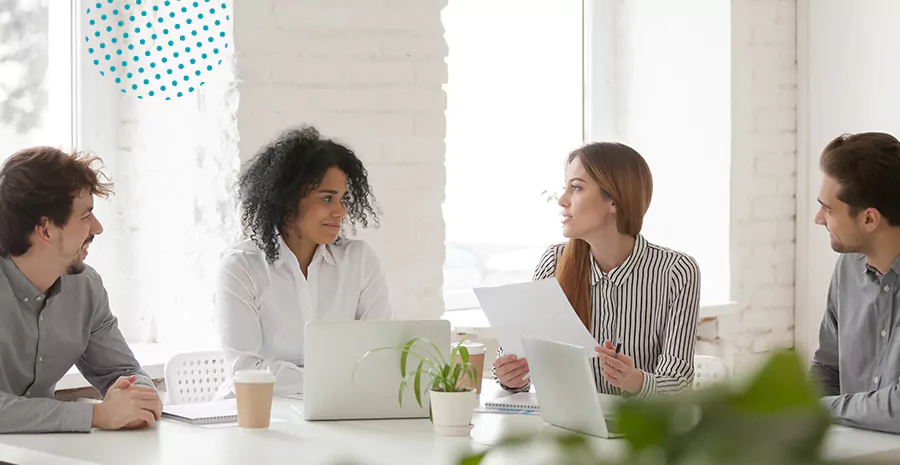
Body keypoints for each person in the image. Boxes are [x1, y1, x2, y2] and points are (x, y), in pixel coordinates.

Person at [492, 142, 701, 397]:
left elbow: (678, 384)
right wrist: (510, 375)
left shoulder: (676, 272)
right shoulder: (554, 261)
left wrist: (635, 380)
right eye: (565, 187)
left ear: (614, 200)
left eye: (576, 187)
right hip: (566, 429)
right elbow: (521, 356)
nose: (562, 200)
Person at [215, 126, 393, 397]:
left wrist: (335, 383)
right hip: (259, 414)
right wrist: (338, 381)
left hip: (341, 408)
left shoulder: (359, 261)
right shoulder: (241, 268)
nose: (341, 212)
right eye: (327, 198)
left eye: (342, 199)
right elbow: (247, 370)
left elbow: (380, 353)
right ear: (287, 200)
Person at [0, 147, 162, 433]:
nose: (97, 228)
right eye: (86, 216)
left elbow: (123, 372)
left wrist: (138, 398)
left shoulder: (86, 288)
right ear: (46, 231)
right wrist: (95, 416)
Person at [809, 132, 900, 434]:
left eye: (829, 208)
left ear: (870, 219)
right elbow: (827, 367)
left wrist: (823, 409)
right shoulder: (847, 269)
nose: (818, 218)